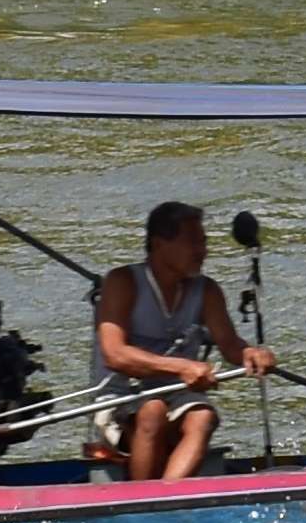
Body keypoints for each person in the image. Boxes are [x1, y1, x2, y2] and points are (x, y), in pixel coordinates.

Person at [91, 199, 270, 480]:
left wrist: (252, 354)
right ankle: (142, 499)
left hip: (176, 393)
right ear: (159, 244)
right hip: (121, 396)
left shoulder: (207, 290)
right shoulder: (122, 282)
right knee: (153, 412)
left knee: (203, 417)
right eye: (193, 242)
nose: (202, 252)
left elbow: (229, 344)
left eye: (204, 242)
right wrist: (182, 367)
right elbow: (115, 354)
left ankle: (168, 496)